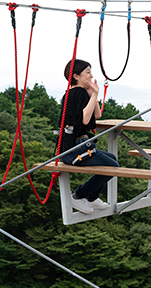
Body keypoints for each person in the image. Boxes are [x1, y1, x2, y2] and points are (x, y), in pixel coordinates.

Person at [58, 59, 119, 214]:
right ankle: (79, 196)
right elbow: (84, 119)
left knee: (112, 158)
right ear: (76, 76)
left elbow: (96, 115)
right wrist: (94, 95)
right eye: (87, 72)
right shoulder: (77, 93)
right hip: (74, 150)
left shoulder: (76, 93)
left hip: (72, 148)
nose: (91, 76)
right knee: (113, 167)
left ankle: (91, 198)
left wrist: (93, 95)